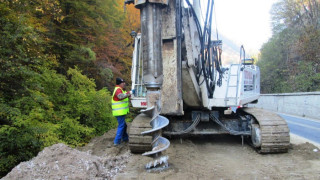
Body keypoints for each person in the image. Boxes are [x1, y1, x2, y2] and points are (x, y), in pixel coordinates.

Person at [111, 77, 134, 146]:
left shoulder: (121, 89)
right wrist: (130, 92)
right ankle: (116, 142)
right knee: (121, 126)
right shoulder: (118, 90)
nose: (124, 83)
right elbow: (120, 96)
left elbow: (123, 97)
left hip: (120, 112)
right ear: (119, 84)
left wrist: (128, 94)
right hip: (119, 112)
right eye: (123, 82)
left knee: (124, 125)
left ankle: (125, 138)